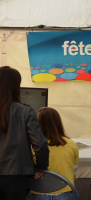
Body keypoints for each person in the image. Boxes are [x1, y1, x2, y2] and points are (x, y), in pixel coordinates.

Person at [0, 66, 49, 199]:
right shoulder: (25, 111)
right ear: (16, 86)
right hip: (16, 175)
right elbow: (40, 144)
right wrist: (41, 166)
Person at [27, 107, 79, 200]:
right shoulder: (71, 144)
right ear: (59, 123)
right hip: (65, 192)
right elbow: (73, 173)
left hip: (38, 193)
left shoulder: (32, 146)